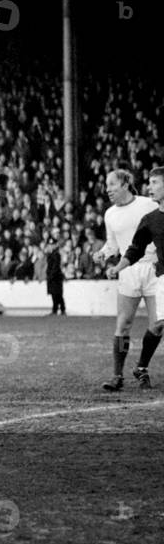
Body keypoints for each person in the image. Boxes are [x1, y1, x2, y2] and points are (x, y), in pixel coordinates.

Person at [105, 167, 164, 390]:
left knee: (157, 325)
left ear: (125, 184)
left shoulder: (148, 204)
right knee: (124, 323)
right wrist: (108, 257)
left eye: (111, 183)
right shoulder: (110, 214)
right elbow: (126, 246)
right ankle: (117, 376)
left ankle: (141, 367)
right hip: (129, 270)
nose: (107, 189)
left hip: (154, 269)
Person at [46, 239, 66, 315]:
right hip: (52, 277)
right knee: (54, 294)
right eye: (50, 245)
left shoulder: (56, 254)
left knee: (57, 294)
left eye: (52, 244)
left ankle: (61, 309)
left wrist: (51, 275)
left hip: (55, 277)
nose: (51, 246)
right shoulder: (50, 254)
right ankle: (55, 309)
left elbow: (55, 267)